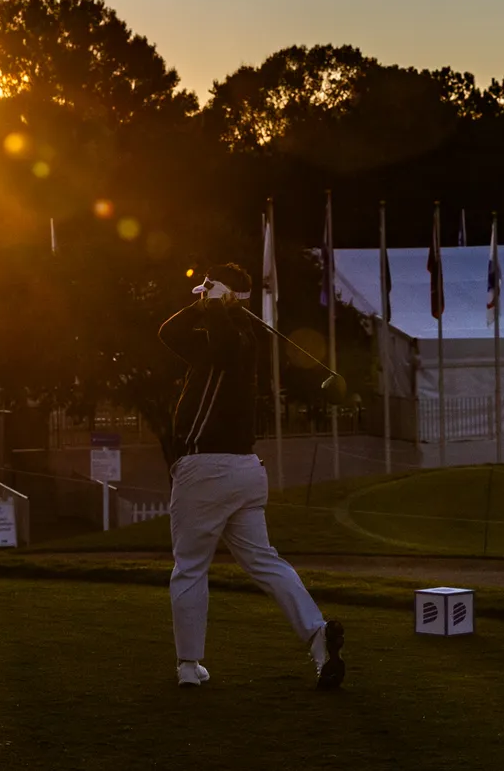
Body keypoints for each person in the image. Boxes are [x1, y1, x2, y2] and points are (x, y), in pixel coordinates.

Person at [158, 262, 345, 689]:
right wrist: (207, 303)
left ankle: (189, 667)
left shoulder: (236, 342)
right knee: (263, 560)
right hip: (242, 472)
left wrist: (218, 307)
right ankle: (318, 636)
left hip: (207, 469)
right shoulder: (216, 345)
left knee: (189, 567)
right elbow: (167, 334)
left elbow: (224, 341)